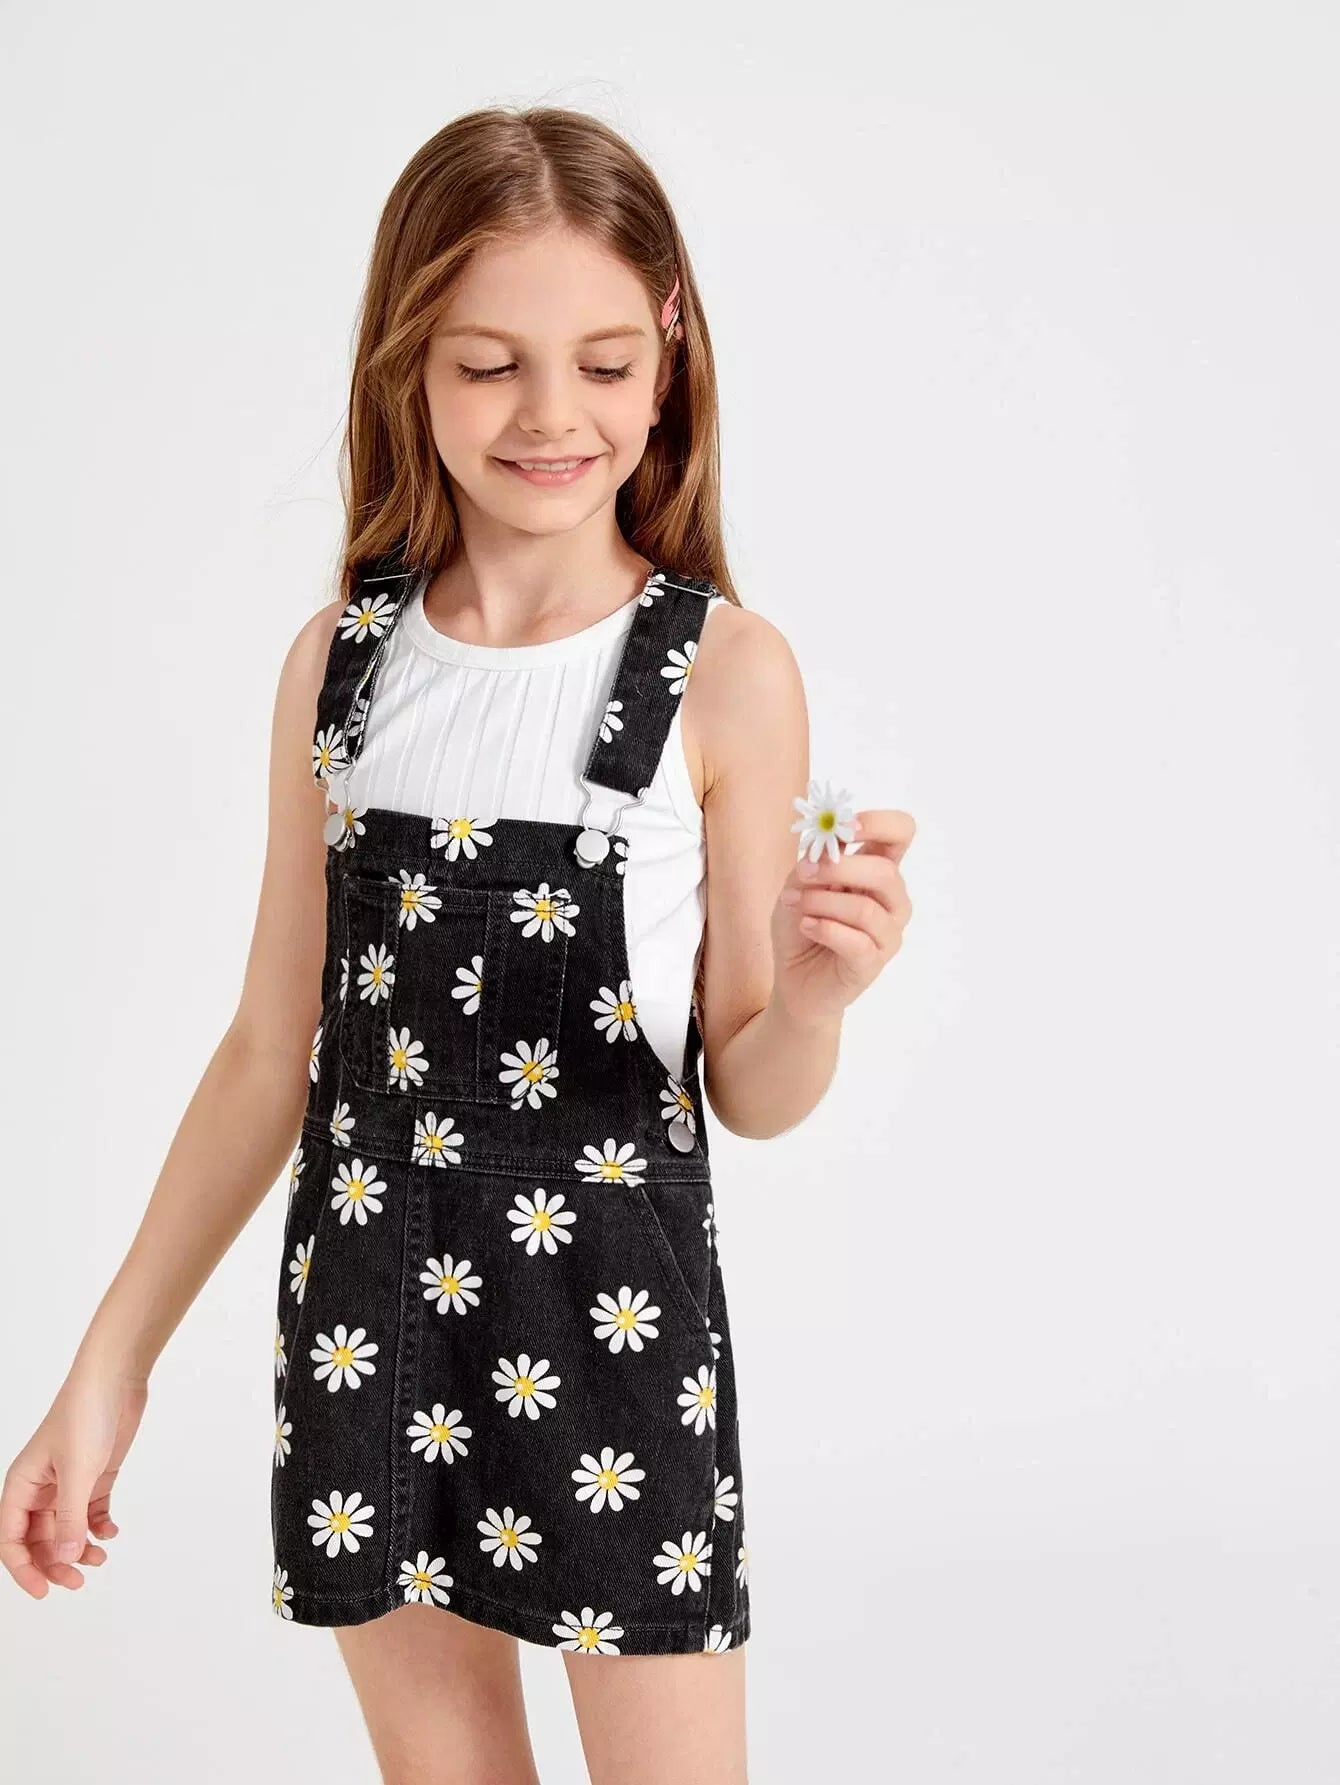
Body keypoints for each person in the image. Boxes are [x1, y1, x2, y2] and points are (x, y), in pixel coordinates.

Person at [0, 105, 915, 1784]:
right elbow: (269, 1051)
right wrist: (106, 1365)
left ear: (670, 350)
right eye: (491, 364)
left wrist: (818, 993)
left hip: (616, 1345)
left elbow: (754, 1086)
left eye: (602, 362)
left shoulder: (723, 673)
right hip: (372, 1328)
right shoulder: (340, 666)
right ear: (408, 361)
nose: (552, 414)